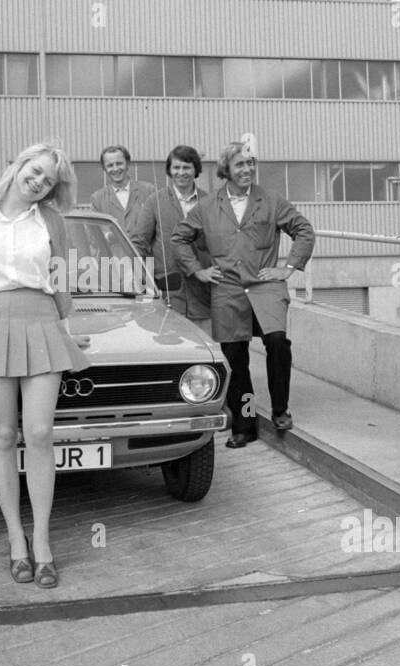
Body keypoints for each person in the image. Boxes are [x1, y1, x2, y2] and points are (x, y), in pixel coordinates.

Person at [0, 142, 89, 589]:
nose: (39, 181)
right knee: (4, 436)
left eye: (48, 180)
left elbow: (61, 275)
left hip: (42, 321)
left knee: (40, 433)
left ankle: (43, 542)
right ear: (18, 165)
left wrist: (67, 329)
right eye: (36, 170)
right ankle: (16, 541)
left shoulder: (51, 221)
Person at [171, 141, 315, 449]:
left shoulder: (271, 200)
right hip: (228, 289)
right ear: (227, 170)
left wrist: (289, 268)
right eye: (240, 165)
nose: (247, 170)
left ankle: (280, 409)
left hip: (266, 285)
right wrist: (199, 271)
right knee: (236, 360)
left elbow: (303, 230)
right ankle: (245, 422)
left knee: (277, 342)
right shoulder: (209, 206)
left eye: (251, 164)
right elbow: (180, 238)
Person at [129, 144, 211, 327]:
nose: (181, 173)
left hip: (203, 294)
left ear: (195, 169)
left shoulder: (210, 202)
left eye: (186, 167)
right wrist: (139, 281)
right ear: (169, 170)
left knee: (204, 349)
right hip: (168, 292)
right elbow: (139, 244)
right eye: (176, 167)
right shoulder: (154, 201)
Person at [88, 145, 155, 236]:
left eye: (119, 163)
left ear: (127, 164)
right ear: (104, 168)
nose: (115, 169)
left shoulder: (149, 191)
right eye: (110, 165)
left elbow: (159, 226)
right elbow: (94, 234)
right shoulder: (97, 199)